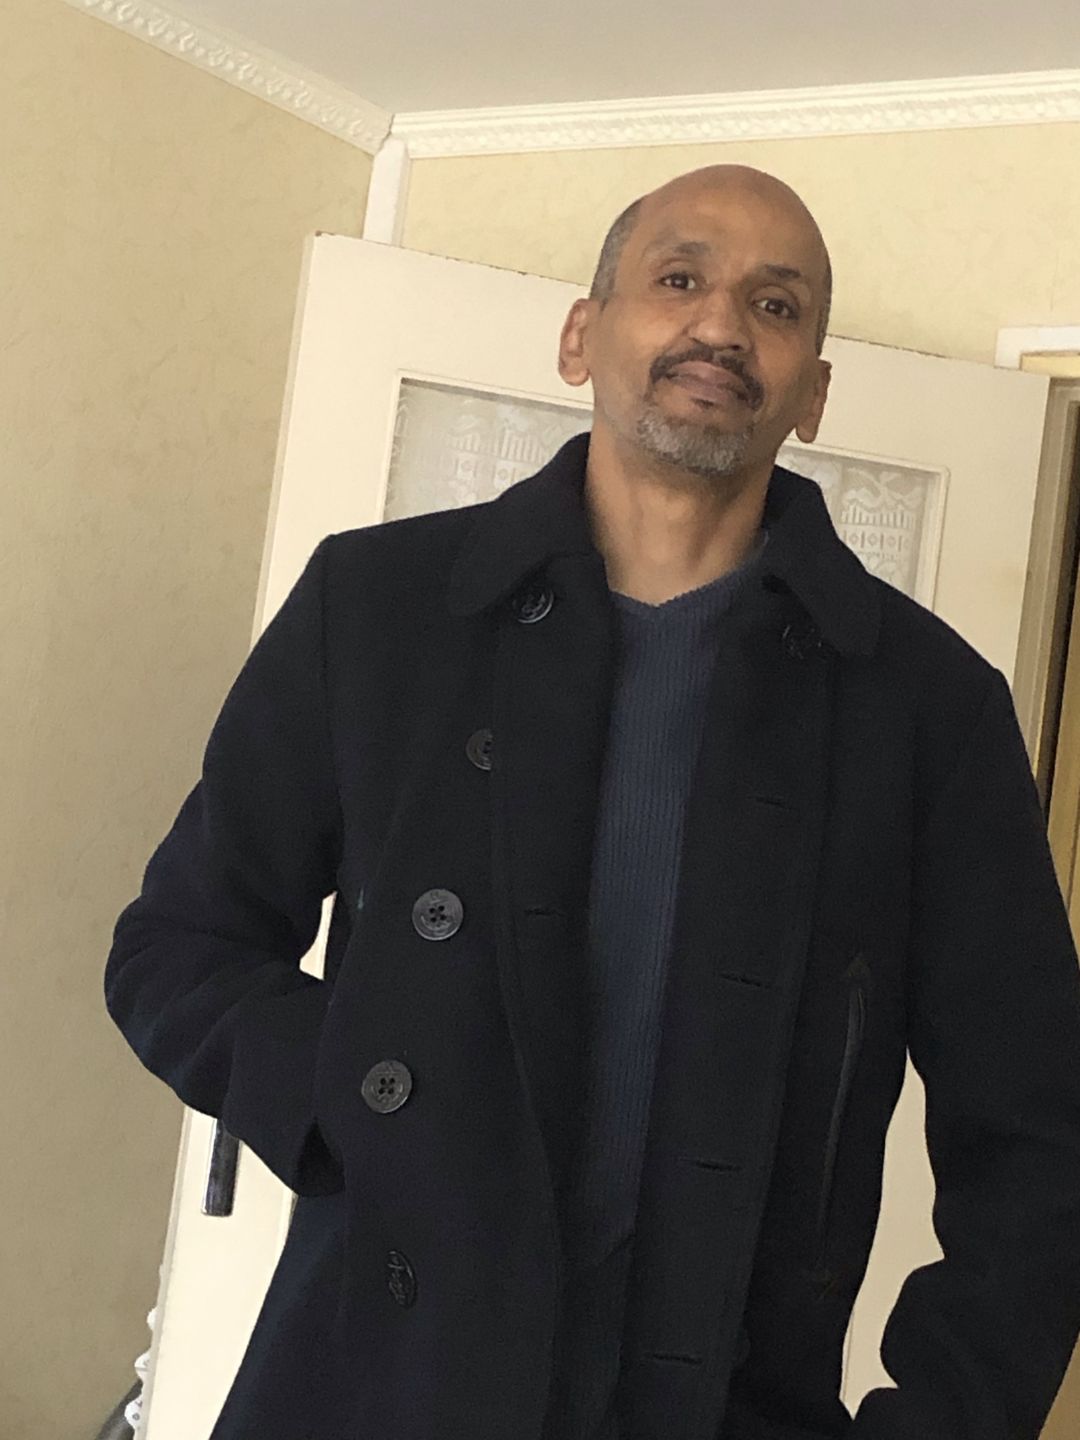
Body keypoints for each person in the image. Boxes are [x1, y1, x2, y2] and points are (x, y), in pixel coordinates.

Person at [105, 165, 1080, 1440]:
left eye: (776, 306)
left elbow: (1040, 1133)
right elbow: (177, 948)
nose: (721, 325)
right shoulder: (378, 609)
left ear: (814, 393)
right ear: (582, 336)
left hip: (722, 1402)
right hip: (373, 1386)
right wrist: (359, 1099)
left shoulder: (927, 707)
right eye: (679, 279)